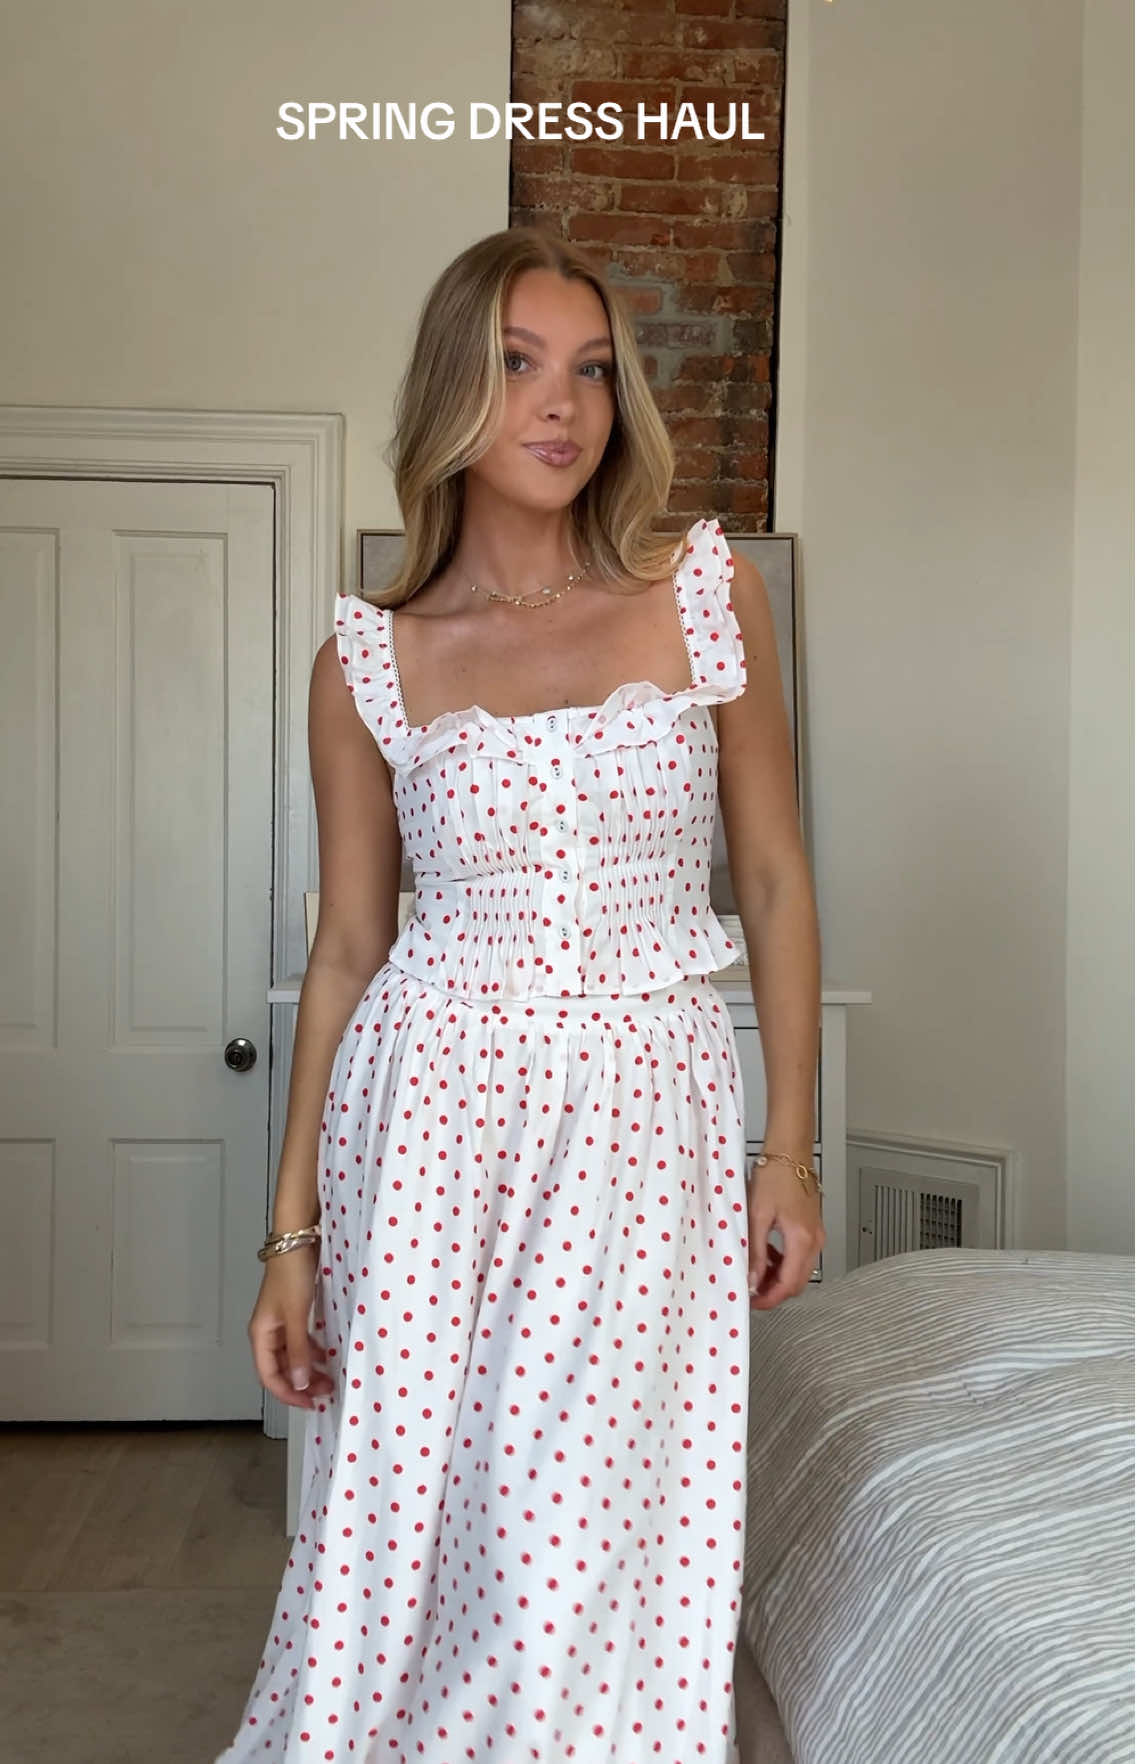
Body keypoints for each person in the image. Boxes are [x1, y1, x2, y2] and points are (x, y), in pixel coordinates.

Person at [215, 225, 824, 1762]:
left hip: (646, 1101)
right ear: (449, 390)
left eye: (594, 371)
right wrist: (288, 1239)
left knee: (599, 1499)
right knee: (415, 1486)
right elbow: (348, 948)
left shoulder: (705, 595)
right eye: (517, 365)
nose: (564, 405)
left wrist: (790, 1149)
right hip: (426, 1108)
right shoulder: (368, 659)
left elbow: (769, 878)